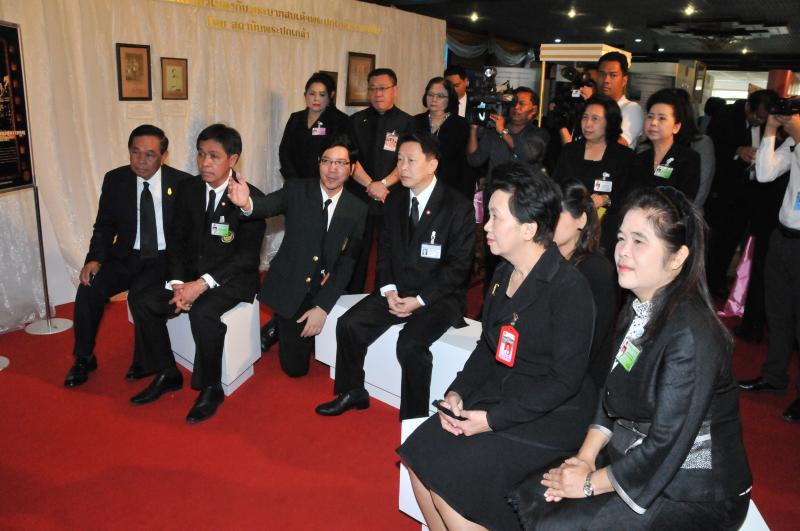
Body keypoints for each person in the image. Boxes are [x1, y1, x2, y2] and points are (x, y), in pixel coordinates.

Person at [512, 186, 752, 531]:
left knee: (559, 524)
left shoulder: (692, 334)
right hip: (637, 456)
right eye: (622, 238)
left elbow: (668, 444)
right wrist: (584, 458)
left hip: (694, 489)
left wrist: (589, 483)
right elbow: (609, 393)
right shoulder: (638, 307)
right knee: (532, 492)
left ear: (678, 257)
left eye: (639, 241)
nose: (623, 251)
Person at [397, 162, 596, 530]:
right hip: (502, 394)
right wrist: (457, 392)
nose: (485, 226)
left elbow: (564, 381)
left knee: (453, 487)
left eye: (495, 217)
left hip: (550, 415)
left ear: (529, 229)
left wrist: (490, 421)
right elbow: (488, 347)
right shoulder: (503, 273)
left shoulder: (569, 289)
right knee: (419, 454)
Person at [315, 131, 475, 420]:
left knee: (410, 345)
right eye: (399, 160)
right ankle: (352, 391)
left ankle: (413, 420)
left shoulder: (457, 206)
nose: (402, 167)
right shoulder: (395, 201)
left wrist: (420, 299)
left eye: (411, 160)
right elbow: (385, 253)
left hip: (439, 297)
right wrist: (388, 290)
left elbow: (459, 267)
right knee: (349, 324)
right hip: (397, 289)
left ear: (432, 164)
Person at [128, 124, 266, 424]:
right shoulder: (188, 189)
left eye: (214, 156)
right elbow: (176, 240)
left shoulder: (251, 198)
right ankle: (167, 372)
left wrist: (201, 285)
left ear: (232, 159)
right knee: (141, 300)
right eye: (201, 154)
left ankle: (211, 387)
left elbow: (245, 258)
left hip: (231, 279)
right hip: (190, 276)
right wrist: (179, 283)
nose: (204, 162)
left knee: (203, 312)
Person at [226, 135, 368, 377]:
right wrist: (247, 203)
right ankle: (281, 322)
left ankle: (280, 325)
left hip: (325, 287)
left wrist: (323, 307)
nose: (332, 169)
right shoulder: (297, 189)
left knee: (330, 349)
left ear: (352, 169)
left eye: (341, 163)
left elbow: (348, 262)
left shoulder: (358, 209)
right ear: (318, 163)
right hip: (292, 284)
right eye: (326, 161)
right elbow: (268, 205)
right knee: (295, 369)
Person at [63, 125, 192, 388]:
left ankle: (146, 361)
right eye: (135, 152)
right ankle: (84, 357)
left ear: (163, 155)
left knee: (139, 296)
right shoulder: (116, 179)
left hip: (163, 258)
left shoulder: (183, 184)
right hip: (125, 256)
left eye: (150, 154)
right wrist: (94, 259)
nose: (141, 160)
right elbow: (104, 225)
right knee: (89, 288)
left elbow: (191, 234)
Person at [738, 110, 800, 422]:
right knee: (777, 314)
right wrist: (771, 131)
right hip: (783, 236)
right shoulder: (794, 141)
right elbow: (764, 174)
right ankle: (774, 377)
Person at [705, 90, 779, 305]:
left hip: (752, 192)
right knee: (717, 241)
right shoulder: (726, 117)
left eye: (764, 119)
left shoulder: (771, 125)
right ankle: (708, 282)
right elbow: (713, 147)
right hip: (724, 191)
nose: (760, 121)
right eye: (757, 116)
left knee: (735, 240)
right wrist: (738, 150)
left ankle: (723, 282)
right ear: (748, 107)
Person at [346, 67, 411, 293]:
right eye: (372, 89)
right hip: (360, 195)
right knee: (355, 252)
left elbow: (408, 161)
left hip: (392, 196)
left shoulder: (407, 122)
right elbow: (349, 158)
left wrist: (383, 185)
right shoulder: (355, 121)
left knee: (390, 252)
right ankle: (350, 297)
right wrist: (370, 185)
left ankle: (384, 297)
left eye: (383, 88)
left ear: (395, 90)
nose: (377, 94)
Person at [553, 180, 618, 388]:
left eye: (557, 214)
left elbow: (592, 341)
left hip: (580, 381)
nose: (547, 221)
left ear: (581, 219)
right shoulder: (544, 260)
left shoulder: (597, 270)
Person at [552, 94, 633, 257]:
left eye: (595, 119)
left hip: (606, 230)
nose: (588, 124)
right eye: (585, 117)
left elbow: (628, 196)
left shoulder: (624, 156)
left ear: (609, 122)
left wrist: (606, 200)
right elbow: (555, 187)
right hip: (569, 227)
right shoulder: (570, 151)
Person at [467, 86, 550, 180]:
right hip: (496, 187)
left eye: (522, 104)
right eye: (513, 103)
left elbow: (528, 155)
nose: (516, 107)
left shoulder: (539, 134)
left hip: (524, 188)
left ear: (534, 110)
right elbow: (474, 160)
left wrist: (503, 132)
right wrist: (473, 129)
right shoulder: (494, 131)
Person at [410, 76, 474, 198]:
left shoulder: (461, 125)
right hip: (419, 186)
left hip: (451, 188)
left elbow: (466, 165)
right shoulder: (414, 122)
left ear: (450, 98)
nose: (434, 99)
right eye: (430, 95)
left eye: (440, 96)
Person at [278, 72, 349, 181]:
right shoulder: (296, 118)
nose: (316, 99)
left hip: (325, 181)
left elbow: (340, 156)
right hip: (294, 181)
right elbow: (284, 151)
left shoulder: (340, 120)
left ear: (330, 95)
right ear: (305, 95)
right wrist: (293, 180)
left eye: (322, 95)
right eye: (312, 94)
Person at [630, 88, 700, 199]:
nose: (653, 123)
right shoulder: (638, 159)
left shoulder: (688, 159)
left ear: (676, 127)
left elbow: (685, 200)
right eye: (650, 116)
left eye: (662, 118)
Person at [672, 89, 715, 207]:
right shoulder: (653, 144)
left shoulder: (701, 143)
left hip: (684, 213)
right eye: (651, 115)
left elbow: (701, 189)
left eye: (662, 116)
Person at [597, 51, 643, 149]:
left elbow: (618, 145)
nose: (606, 80)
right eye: (602, 74)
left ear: (624, 80)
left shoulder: (632, 108)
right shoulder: (592, 107)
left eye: (613, 75)